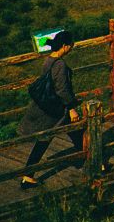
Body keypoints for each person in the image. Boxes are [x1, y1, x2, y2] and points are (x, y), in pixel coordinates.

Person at [17, 31, 82, 187]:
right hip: (57, 110)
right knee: (48, 140)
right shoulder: (60, 65)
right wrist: (72, 108)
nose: (71, 47)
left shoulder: (48, 60)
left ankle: (28, 175)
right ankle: (96, 162)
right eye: (71, 45)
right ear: (65, 46)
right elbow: (62, 90)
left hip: (50, 107)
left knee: (75, 135)